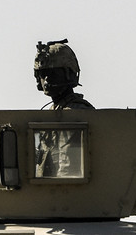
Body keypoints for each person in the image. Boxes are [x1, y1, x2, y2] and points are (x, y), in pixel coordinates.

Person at [33, 39, 94, 177]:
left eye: (53, 73)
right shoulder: (56, 111)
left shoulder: (74, 113)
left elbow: (69, 169)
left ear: (68, 73)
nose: (46, 79)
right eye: (43, 74)